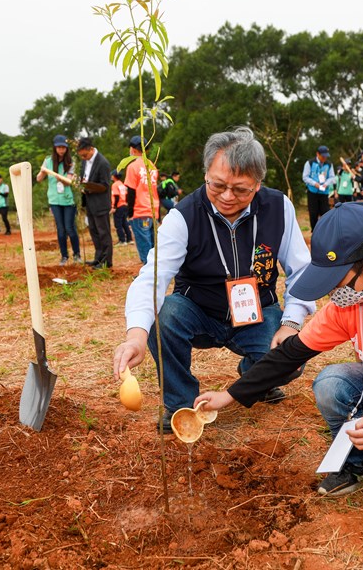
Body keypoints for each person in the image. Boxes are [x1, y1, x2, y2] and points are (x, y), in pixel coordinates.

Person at [194, 202, 363, 497]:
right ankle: (357, 462)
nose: (332, 292)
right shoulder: (346, 307)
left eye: (336, 281)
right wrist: (230, 395)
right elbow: (290, 354)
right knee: (330, 383)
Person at [112, 127, 316, 432]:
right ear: (206, 172)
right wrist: (136, 335)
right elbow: (152, 278)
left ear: (258, 183)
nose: (227, 197)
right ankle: (180, 402)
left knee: (292, 359)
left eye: (241, 189)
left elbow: (301, 271)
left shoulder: (278, 208)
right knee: (163, 315)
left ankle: (254, 378)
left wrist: (291, 324)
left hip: (258, 314)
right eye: (217, 185)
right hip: (199, 312)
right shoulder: (183, 215)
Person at [37, 134, 81, 265]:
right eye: (59, 147)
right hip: (54, 200)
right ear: (55, 148)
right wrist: (43, 172)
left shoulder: (71, 162)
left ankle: (77, 255)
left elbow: (69, 182)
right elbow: (38, 179)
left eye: (64, 147)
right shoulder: (48, 161)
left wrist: (59, 177)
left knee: (70, 228)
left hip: (67, 200)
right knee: (61, 230)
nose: (61, 150)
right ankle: (64, 256)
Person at [76, 136, 113, 268]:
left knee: (103, 232)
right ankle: (98, 258)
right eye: (81, 156)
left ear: (91, 149)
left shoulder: (103, 163)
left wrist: (88, 186)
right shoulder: (85, 162)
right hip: (90, 202)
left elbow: (104, 185)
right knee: (94, 231)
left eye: (85, 155)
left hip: (101, 203)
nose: (83, 158)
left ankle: (106, 261)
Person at [123, 135, 161, 264]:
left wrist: (130, 213)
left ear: (133, 149)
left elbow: (131, 192)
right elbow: (155, 190)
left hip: (139, 212)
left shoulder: (132, 167)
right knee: (152, 246)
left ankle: (148, 276)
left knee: (144, 247)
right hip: (153, 211)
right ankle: (153, 273)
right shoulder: (152, 166)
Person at [303, 145, 333, 230]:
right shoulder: (310, 163)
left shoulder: (329, 164)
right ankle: (314, 231)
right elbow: (305, 177)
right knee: (313, 213)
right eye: (323, 156)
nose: (324, 158)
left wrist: (326, 183)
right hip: (312, 192)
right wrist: (314, 183)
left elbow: (332, 177)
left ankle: (324, 231)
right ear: (317, 154)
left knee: (325, 213)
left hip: (324, 193)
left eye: (326, 156)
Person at [111, 170, 132, 246]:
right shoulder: (122, 184)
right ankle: (129, 239)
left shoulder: (114, 185)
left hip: (119, 206)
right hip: (124, 205)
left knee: (118, 224)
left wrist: (114, 207)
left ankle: (122, 240)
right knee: (124, 222)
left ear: (114, 176)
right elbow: (126, 195)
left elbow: (116, 196)